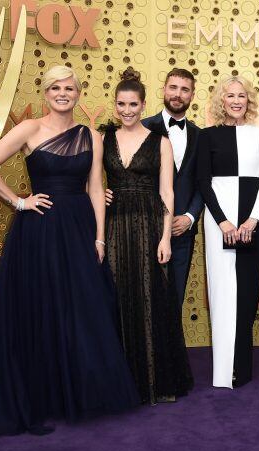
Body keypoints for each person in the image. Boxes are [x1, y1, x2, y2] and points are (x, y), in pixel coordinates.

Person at [0, 66, 139, 448]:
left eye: (69, 88)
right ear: (45, 93)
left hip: (78, 230)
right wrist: (19, 201)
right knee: (39, 308)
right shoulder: (29, 129)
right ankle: (37, 396)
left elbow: (94, 187)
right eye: (55, 87)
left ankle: (71, 392)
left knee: (79, 310)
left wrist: (100, 238)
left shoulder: (90, 135)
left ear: (78, 93)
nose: (62, 93)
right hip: (38, 230)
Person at [102, 68, 193, 404]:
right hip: (113, 226)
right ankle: (117, 381)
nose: (127, 110)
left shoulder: (161, 142)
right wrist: (99, 191)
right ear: (115, 105)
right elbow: (86, 184)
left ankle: (151, 381)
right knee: (115, 297)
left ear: (143, 106)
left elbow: (167, 192)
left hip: (149, 226)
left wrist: (166, 238)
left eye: (133, 104)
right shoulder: (103, 139)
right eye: (121, 104)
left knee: (148, 298)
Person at [197, 76, 259, 388]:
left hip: (252, 224)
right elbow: (204, 182)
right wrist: (224, 222)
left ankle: (240, 369)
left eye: (242, 95)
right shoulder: (207, 136)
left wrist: (252, 221)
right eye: (230, 95)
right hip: (219, 224)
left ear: (249, 100)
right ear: (221, 100)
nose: (236, 101)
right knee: (221, 291)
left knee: (247, 292)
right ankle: (221, 370)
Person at [106, 68, 202, 308]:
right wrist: (102, 192)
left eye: (184, 89)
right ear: (164, 90)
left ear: (192, 95)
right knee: (139, 297)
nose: (178, 94)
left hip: (182, 231)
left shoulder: (202, 136)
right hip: (141, 225)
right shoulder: (140, 126)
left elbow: (205, 183)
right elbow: (115, 169)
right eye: (173, 87)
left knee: (174, 298)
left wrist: (190, 216)